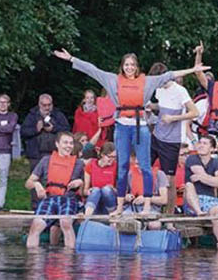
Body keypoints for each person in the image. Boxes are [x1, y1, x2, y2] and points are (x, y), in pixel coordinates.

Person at [53, 48, 209, 216]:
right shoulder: (113, 80)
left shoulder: (147, 82)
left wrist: (193, 70)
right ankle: (119, 207)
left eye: (132, 65)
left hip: (140, 126)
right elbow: (92, 70)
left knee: (145, 167)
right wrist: (71, 59)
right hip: (121, 125)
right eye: (126, 65)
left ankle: (148, 206)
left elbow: (169, 75)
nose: (129, 68)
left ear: (137, 67)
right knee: (122, 167)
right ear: (122, 66)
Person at [148, 62, 199, 215]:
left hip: (171, 140)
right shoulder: (159, 89)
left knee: (169, 179)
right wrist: (152, 107)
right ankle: (149, 207)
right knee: (146, 169)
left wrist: (174, 118)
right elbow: (161, 106)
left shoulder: (180, 91)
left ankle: (170, 216)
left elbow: (194, 112)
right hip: (156, 136)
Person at [25, 132, 84, 248]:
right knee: (36, 225)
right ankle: (33, 261)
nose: (69, 146)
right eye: (65, 143)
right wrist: (37, 184)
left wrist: (80, 183)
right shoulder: (46, 160)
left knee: (65, 223)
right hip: (50, 198)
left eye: (71, 143)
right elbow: (28, 183)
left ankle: (69, 260)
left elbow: (84, 190)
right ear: (57, 144)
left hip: (68, 199)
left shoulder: (78, 163)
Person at [21, 94, 71, 209]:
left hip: (53, 154)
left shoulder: (58, 115)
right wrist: (36, 129)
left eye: (49, 105)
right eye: (44, 105)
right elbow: (23, 132)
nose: (47, 107)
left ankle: (51, 205)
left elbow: (67, 130)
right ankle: (35, 206)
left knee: (52, 181)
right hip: (36, 154)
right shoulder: (32, 115)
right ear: (39, 104)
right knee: (35, 181)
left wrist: (54, 129)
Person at [184, 136, 218, 250]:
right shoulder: (192, 159)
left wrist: (202, 178)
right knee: (189, 185)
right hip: (193, 198)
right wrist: (213, 180)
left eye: (205, 143)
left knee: (216, 214)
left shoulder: (216, 163)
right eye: (200, 143)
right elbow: (204, 175)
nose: (201, 145)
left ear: (212, 148)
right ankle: (199, 212)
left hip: (210, 198)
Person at [123, 153, 169, 230]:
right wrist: (127, 197)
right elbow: (122, 197)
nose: (137, 165)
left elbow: (164, 200)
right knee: (120, 223)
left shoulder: (160, 174)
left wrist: (146, 199)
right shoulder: (129, 174)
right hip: (132, 208)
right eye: (136, 163)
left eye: (139, 163)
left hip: (152, 209)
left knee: (154, 225)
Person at [83, 142, 117, 216]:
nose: (112, 159)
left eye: (114, 157)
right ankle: (87, 215)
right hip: (96, 201)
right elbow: (85, 191)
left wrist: (113, 189)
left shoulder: (116, 166)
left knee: (106, 190)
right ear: (102, 155)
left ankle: (113, 216)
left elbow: (121, 191)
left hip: (109, 203)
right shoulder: (91, 165)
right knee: (96, 190)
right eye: (109, 157)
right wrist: (89, 191)